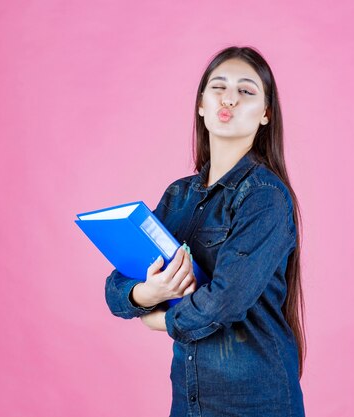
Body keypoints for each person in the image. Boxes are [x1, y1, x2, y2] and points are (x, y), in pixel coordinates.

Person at [104, 45, 306, 417]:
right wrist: (146, 292)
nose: (229, 97)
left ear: (265, 115)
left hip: (255, 401)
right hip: (190, 398)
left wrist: (162, 319)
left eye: (246, 91)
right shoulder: (178, 196)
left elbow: (227, 299)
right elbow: (116, 288)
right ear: (201, 104)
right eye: (218, 87)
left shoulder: (266, 197)